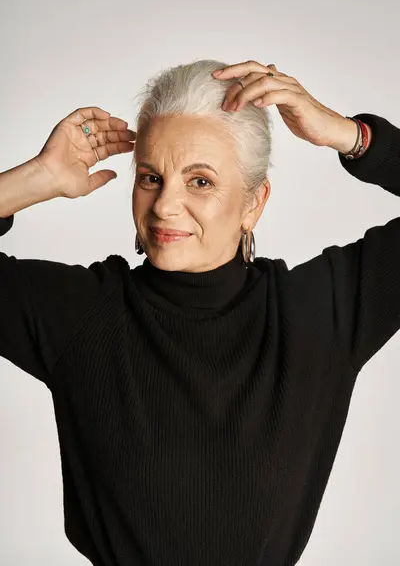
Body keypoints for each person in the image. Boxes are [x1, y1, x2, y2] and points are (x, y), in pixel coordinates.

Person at [0, 58, 398, 566]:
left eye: (201, 182)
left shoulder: (321, 314)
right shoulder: (83, 314)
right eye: (150, 177)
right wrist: (36, 178)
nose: (165, 205)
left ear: (254, 203)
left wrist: (351, 136)